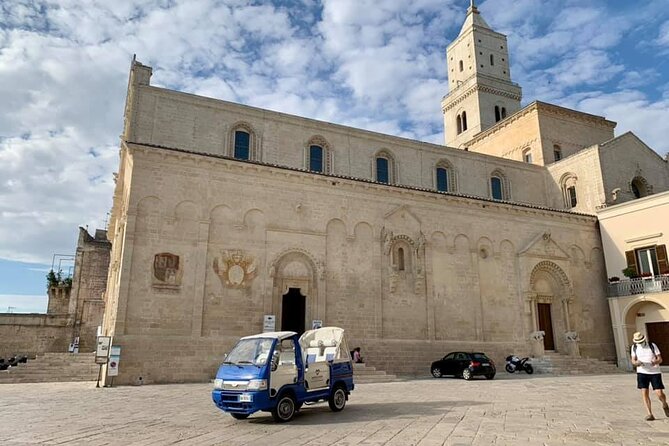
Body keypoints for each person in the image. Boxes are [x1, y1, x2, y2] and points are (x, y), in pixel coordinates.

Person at [630, 331, 669, 421]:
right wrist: (637, 363)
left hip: (654, 372)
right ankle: (649, 414)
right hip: (642, 372)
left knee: (659, 393)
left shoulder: (652, 345)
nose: (639, 343)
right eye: (638, 341)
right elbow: (633, 360)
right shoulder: (634, 347)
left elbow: (660, 359)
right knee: (644, 393)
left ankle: (664, 404)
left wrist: (655, 361)